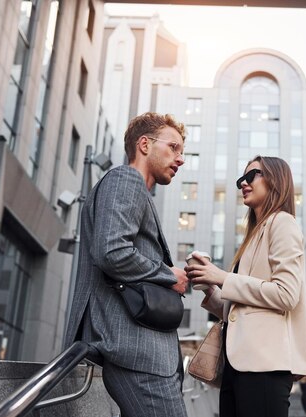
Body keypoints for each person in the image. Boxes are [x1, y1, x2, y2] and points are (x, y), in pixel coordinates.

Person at [64, 112, 189, 417]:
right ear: (144, 145)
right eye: (173, 147)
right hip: (136, 351)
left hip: (139, 351)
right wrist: (167, 274)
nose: (180, 158)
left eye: (181, 151)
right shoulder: (126, 179)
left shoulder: (135, 189)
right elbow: (111, 251)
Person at [185, 156, 306, 417]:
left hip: (264, 365)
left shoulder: (283, 223)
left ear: (275, 179)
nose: (243, 183)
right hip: (238, 365)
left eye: (251, 175)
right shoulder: (254, 235)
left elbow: (286, 294)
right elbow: (242, 309)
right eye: (240, 180)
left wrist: (222, 277)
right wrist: (209, 286)